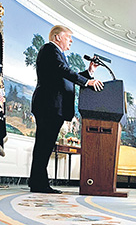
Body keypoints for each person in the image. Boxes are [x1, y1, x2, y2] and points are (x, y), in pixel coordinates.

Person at [29, 25, 103, 194]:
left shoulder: (59, 55)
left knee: (45, 145)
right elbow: (64, 71)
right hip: (48, 106)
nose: (71, 41)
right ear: (57, 37)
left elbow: (66, 78)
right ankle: (39, 184)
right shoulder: (49, 49)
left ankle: (36, 181)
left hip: (53, 107)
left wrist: (89, 72)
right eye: (68, 37)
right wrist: (87, 82)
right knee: (43, 145)